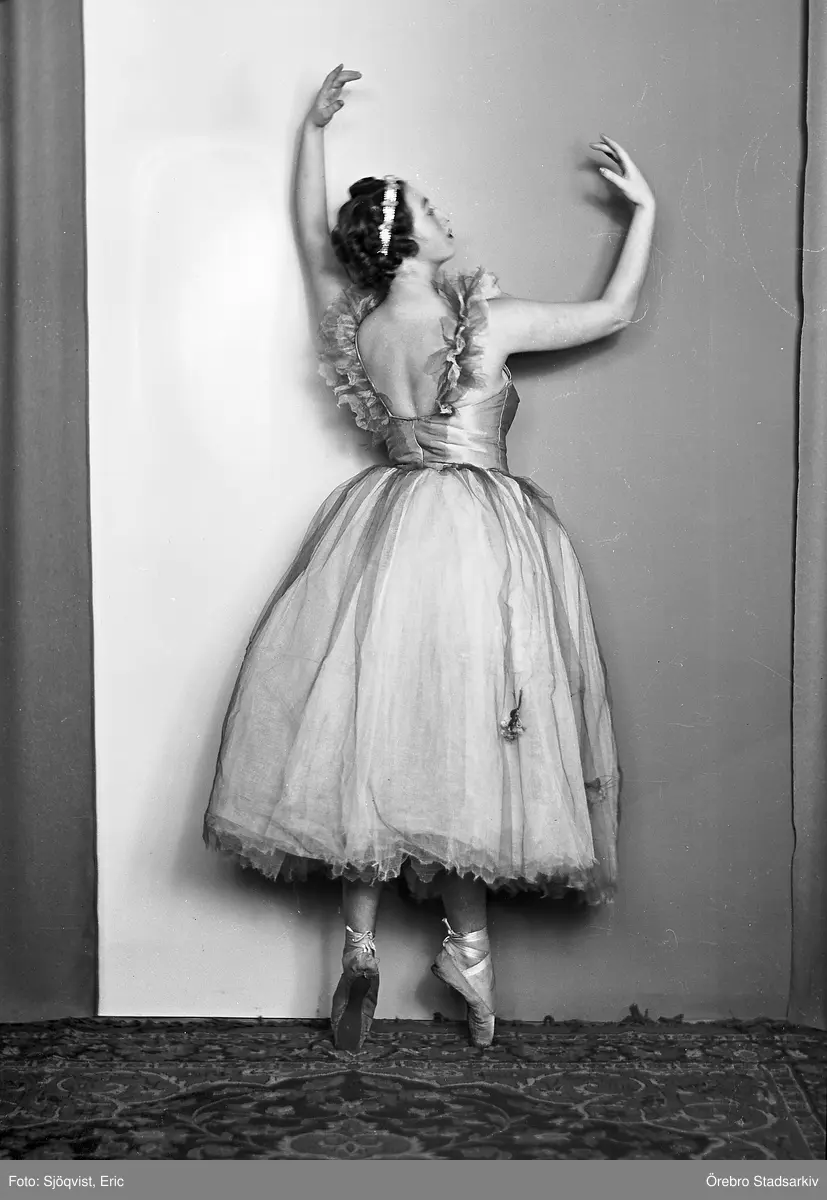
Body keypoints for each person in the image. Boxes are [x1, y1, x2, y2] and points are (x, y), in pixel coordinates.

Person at [203, 64, 655, 1053]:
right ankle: (471, 960)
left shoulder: (363, 324)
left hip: (383, 529)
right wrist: (644, 213)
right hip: (479, 542)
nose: (447, 217)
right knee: (469, 744)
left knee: (369, 733)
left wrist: (311, 133)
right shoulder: (481, 323)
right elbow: (612, 313)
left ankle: (359, 946)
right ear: (403, 242)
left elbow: (309, 239)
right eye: (429, 210)